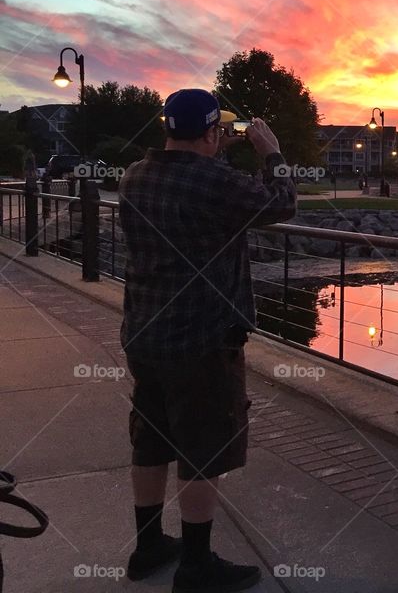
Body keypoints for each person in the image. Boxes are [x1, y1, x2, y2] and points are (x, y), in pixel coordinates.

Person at [118, 89, 297, 592]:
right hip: (202, 339)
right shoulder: (214, 180)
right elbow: (281, 203)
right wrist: (272, 153)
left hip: (145, 333)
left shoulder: (135, 176)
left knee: (150, 441)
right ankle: (197, 566)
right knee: (202, 449)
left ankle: (148, 545)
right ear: (212, 132)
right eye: (219, 133)